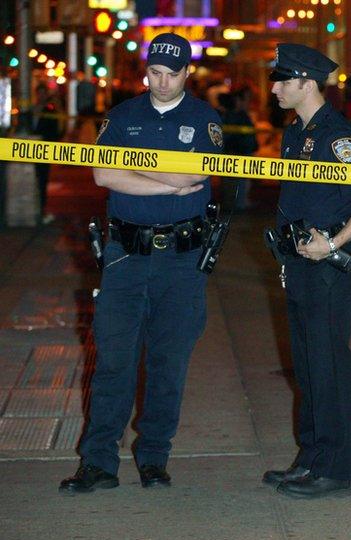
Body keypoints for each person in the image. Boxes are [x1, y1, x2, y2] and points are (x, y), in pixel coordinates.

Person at [59, 32, 224, 494]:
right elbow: (103, 174)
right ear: (145, 70)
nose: (163, 82)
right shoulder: (122, 116)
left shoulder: (204, 117)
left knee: (168, 361)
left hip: (181, 257)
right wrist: (168, 184)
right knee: (114, 360)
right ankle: (98, 462)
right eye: (155, 72)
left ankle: (154, 456)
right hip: (125, 255)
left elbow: (197, 172)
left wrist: (145, 173)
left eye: (173, 74)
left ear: (188, 73)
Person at [262, 43, 351, 499]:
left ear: (306, 83)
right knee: (308, 367)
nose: (274, 87)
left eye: (282, 79)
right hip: (299, 263)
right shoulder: (295, 133)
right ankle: (311, 458)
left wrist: (331, 243)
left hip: (328, 267)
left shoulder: (339, 139)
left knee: (329, 366)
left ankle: (334, 471)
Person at [219, 88, 259, 209]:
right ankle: (237, 204)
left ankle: (234, 203)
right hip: (237, 152)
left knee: (236, 181)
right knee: (237, 182)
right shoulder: (234, 117)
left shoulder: (239, 116)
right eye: (245, 99)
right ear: (238, 101)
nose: (248, 103)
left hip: (239, 151)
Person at [33, 83, 64, 224]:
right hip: (31, 150)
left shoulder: (50, 110)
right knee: (36, 181)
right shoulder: (32, 108)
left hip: (43, 150)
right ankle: (38, 210)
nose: (40, 96)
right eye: (38, 93)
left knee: (42, 180)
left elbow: (56, 130)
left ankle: (41, 209)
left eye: (42, 93)